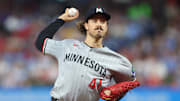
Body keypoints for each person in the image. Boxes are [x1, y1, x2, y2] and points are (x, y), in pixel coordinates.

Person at [35, 7, 138, 101]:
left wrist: (116, 96)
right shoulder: (67, 45)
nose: (99, 24)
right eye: (94, 21)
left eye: (103, 21)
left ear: (106, 27)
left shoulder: (117, 60)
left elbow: (130, 83)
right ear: (86, 25)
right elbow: (40, 42)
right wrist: (61, 19)